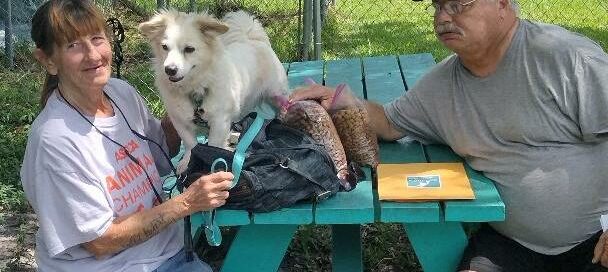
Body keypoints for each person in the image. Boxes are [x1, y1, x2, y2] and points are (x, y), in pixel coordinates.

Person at [290, 0, 608, 271]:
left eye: (457, 4)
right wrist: (348, 102)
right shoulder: (443, 84)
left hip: (596, 242)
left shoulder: (565, 59)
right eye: (438, 6)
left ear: (502, 4)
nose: (443, 17)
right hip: (512, 245)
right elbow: (388, 121)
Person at [21, 0, 233, 271]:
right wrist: (188, 202)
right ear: (48, 60)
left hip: (165, 251)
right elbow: (100, 241)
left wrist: (183, 108)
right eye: (73, 45)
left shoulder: (120, 92)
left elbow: (160, 151)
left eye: (97, 39)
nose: (93, 55)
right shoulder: (54, 142)